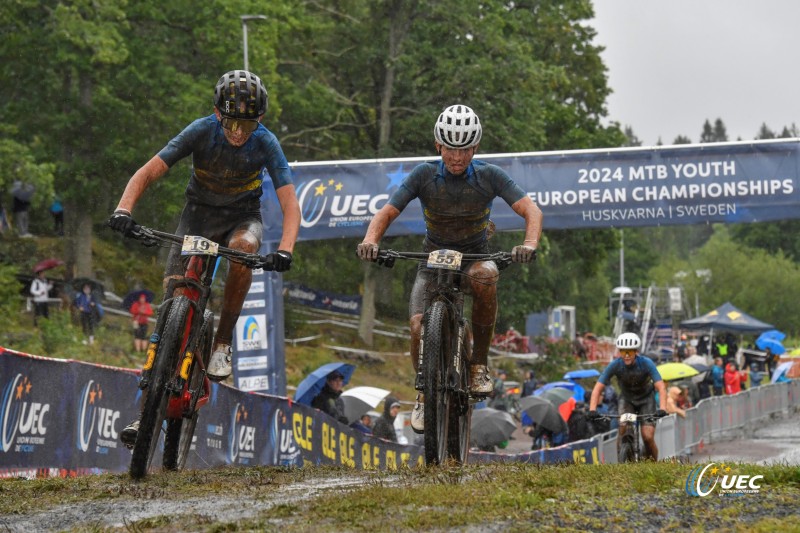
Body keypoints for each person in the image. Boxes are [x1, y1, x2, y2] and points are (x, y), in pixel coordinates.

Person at [108, 70, 301, 446]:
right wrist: (123, 210)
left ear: (258, 120)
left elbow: (290, 204)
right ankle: (145, 411)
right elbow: (148, 172)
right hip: (196, 217)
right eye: (230, 123)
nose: (237, 133)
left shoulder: (267, 143)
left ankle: (223, 344)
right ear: (217, 114)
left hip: (241, 220)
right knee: (170, 305)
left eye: (246, 124)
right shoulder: (199, 130)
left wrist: (285, 250)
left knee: (245, 250)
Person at [357, 104, 543, 433]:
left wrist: (529, 245)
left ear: (475, 148)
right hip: (433, 259)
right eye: (450, 150)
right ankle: (423, 393)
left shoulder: (490, 176)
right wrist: (371, 240)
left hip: (474, 256)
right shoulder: (423, 175)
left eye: (465, 150)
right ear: (438, 146)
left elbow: (531, 211)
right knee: (417, 325)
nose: (457, 158)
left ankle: (479, 366)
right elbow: (386, 212)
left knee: (487, 276)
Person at [587, 332, 668, 461]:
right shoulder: (615, 365)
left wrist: (663, 408)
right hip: (627, 400)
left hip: (646, 400)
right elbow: (598, 388)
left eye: (629, 352)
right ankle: (622, 460)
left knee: (647, 436)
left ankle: (653, 464)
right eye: (623, 352)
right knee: (623, 428)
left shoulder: (646, 363)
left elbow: (661, 387)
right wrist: (592, 409)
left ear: (636, 352)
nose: (626, 356)